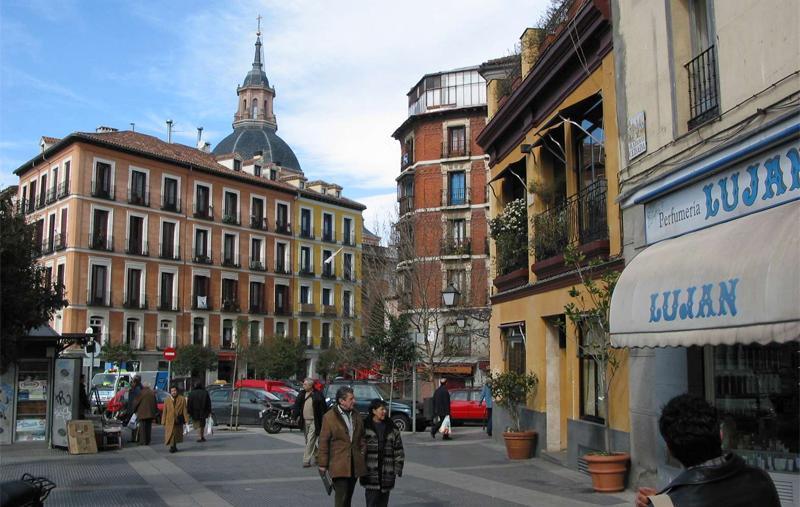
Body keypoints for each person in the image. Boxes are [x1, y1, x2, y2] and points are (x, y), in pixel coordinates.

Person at [635, 394, 781, 507]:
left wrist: (666, 500)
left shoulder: (672, 502)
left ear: (670, 448)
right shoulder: (760, 480)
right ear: (721, 435)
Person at [318, 386, 367, 507]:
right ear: (341, 401)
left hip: (354, 463)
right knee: (341, 497)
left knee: (348, 496)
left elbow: (362, 437)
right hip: (338, 464)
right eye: (351, 399)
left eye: (353, 398)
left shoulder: (356, 415)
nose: (354, 401)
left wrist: (362, 452)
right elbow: (323, 441)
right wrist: (322, 464)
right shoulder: (329, 417)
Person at [361, 399, 404, 507]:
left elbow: (398, 448)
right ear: (374, 411)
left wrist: (398, 467)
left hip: (387, 470)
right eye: (382, 409)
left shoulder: (392, 427)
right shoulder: (365, 426)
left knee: (383, 503)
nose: (384, 411)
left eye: (385, 409)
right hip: (370, 471)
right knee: (371, 501)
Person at [293, 378, 326, 467]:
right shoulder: (301, 394)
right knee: (307, 441)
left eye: (305, 384)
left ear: (310, 386)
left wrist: (324, 421)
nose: (303, 386)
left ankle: (306, 460)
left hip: (314, 422)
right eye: (303, 384)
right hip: (305, 421)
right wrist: (295, 416)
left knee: (311, 440)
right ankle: (318, 456)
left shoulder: (318, 395)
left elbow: (323, 410)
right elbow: (296, 405)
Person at [161, 385, 190, 453]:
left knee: (175, 434)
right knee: (171, 434)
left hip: (178, 420)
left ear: (177, 391)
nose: (173, 392)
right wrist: (163, 421)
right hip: (169, 420)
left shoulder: (182, 399)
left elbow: (184, 410)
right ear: (170, 392)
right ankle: (172, 447)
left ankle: (174, 446)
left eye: (174, 391)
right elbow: (164, 411)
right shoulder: (167, 399)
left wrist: (186, 420)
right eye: (172, 391)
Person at [127, 376, 142, 442]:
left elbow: (137, 401)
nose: (130, 383)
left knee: (135, 425)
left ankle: (136, 439)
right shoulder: (134, 389)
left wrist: (136, 410)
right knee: (133, 424)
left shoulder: (137, 389)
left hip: (136, 410)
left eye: (132, 382)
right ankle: (134, 438)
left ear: (135, 382)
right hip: (133, 410)